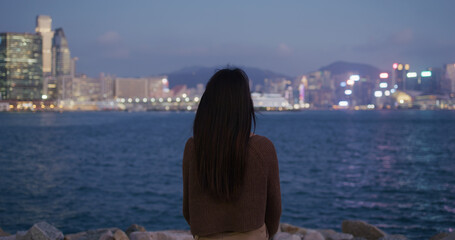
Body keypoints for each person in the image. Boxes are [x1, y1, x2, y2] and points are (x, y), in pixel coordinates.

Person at [182, 68, 281, 240]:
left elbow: (188, 211)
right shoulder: (262, 148)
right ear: (245, 106)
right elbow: (274, 210)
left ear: (207, 106)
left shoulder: (193, 148)